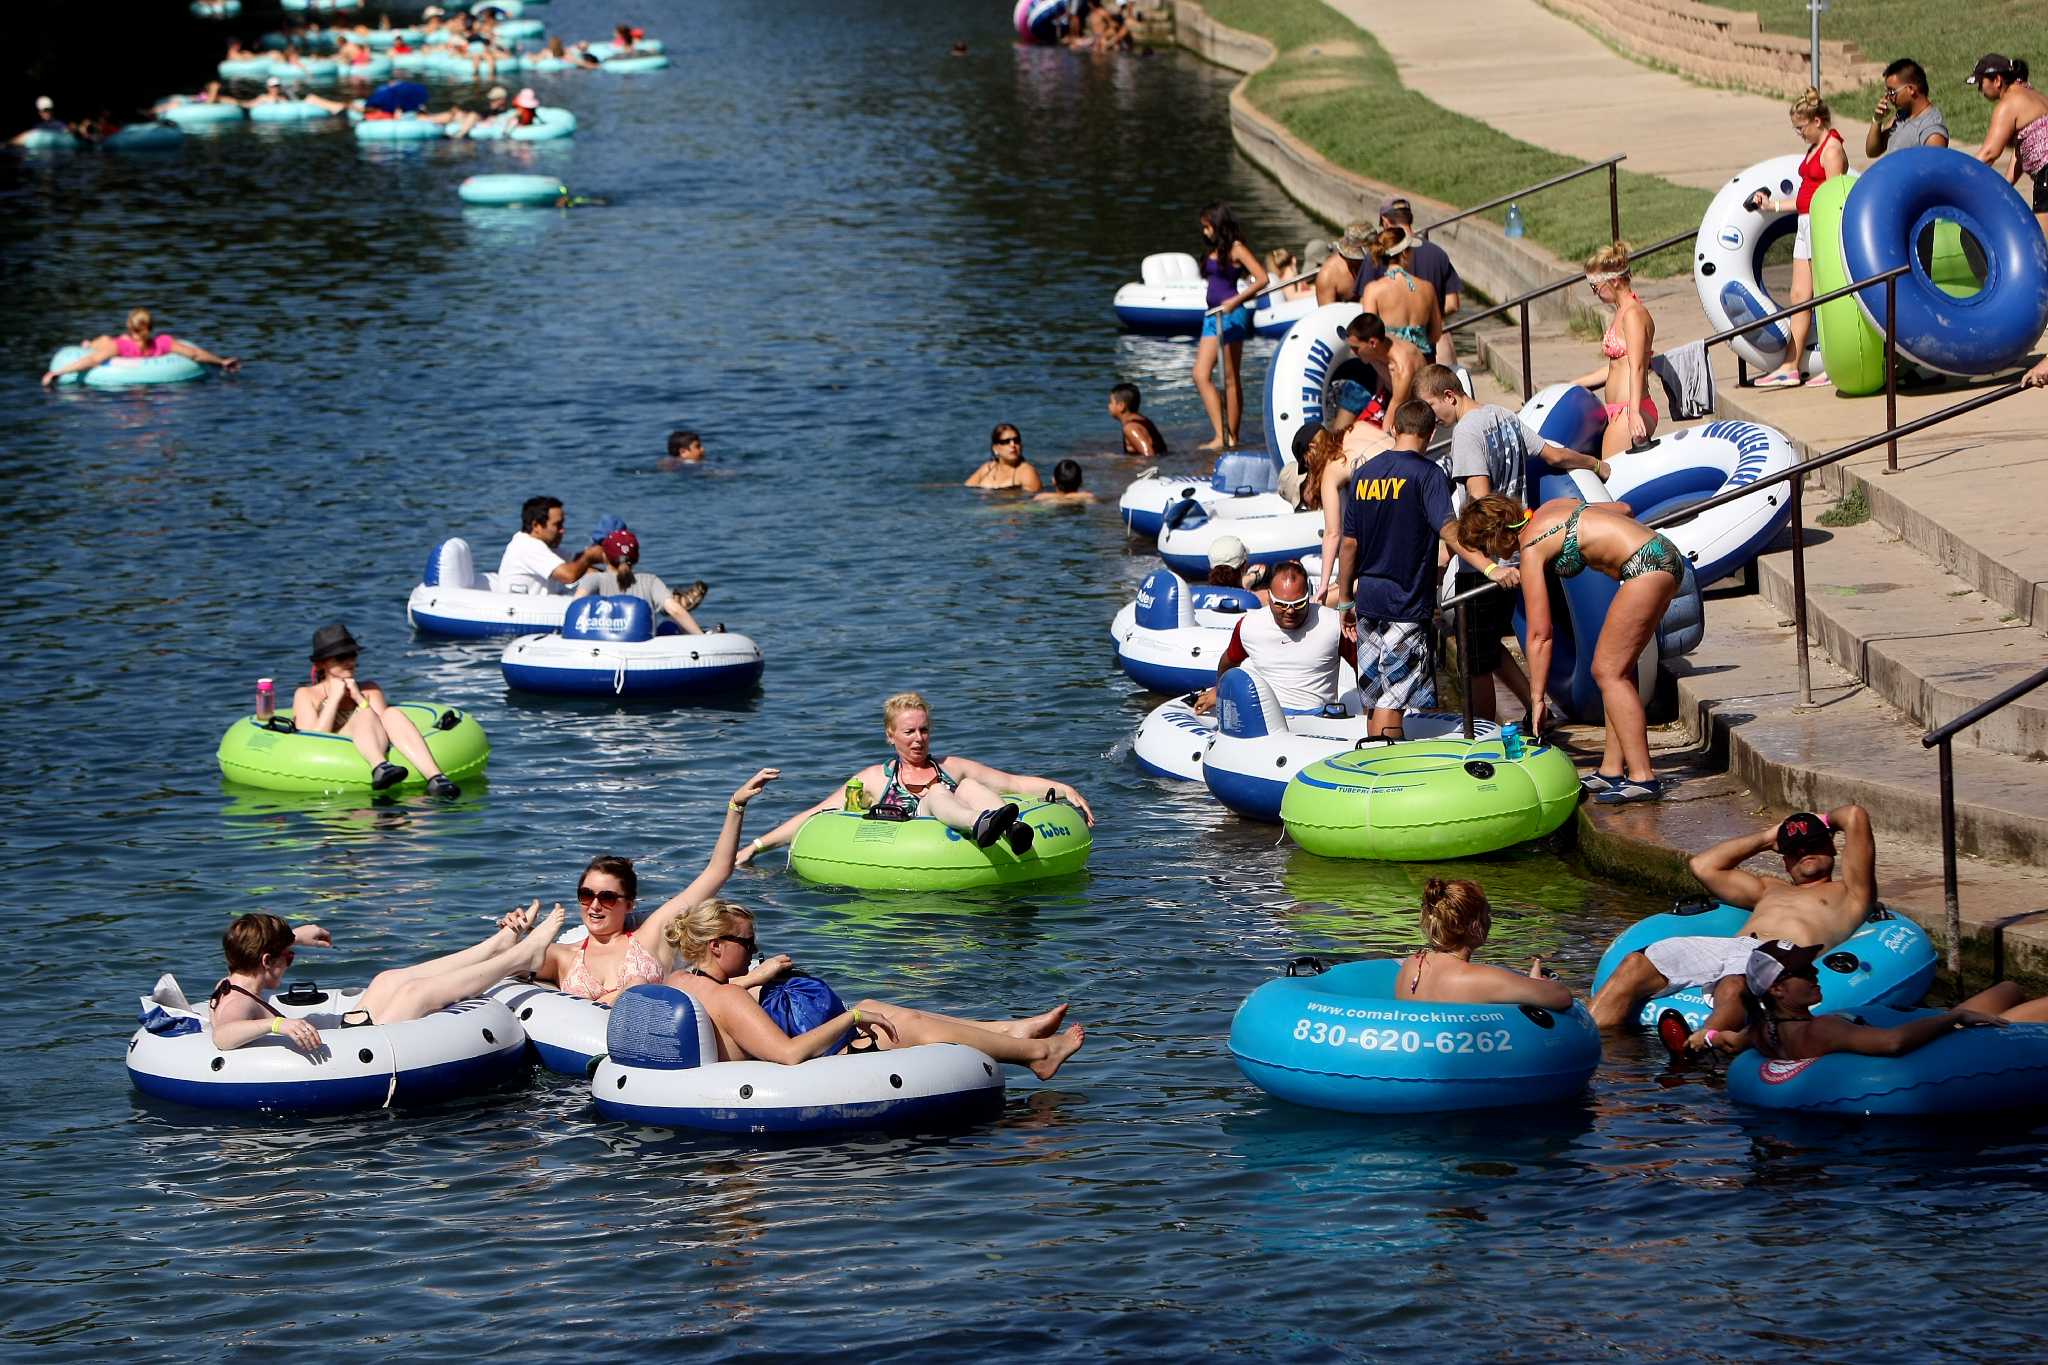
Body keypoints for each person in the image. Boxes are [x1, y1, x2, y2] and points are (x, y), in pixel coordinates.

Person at [659, 899, 1086, 1078]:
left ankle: (1011, 1032)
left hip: (768, 1056)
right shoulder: (729, 997)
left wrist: (754, 978)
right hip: (812, 1069)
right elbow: (789, 1056)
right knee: (904, 1022)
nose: (755, 950)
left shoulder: (682, 980)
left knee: (873, 1003)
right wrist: (853, 1018)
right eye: (748, 943)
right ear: (716, 946)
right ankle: (1038, 1055)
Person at [1457, 492, 1682, 800]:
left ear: (1497, 535)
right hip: (1660, 554)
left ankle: (1643, 776)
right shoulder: (1550, 509)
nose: (1492, 555)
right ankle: (1612, 769)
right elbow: (1624, 508)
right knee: (1617, 671)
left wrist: (1535, 698)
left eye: (1487, 547)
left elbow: (1540, 633)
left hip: (1644, 566)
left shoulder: (1532, 546)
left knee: (1607, 672)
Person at [1417, 364, 1607, 722]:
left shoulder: (1467, 434)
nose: (1432, 418)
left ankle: (1482, 734)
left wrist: (1467, 553)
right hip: (1519, 548)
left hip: (1490, 557)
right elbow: (1552, 455)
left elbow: (1479, 501)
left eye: (1431, 407)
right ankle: (1536, 708)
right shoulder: (1503, 415)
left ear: (1448, 395)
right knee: (1486, 647)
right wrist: (1593, 465)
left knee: (1474, 656)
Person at [1589, 807, 1878, 1040]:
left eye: (1813, 843)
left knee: (1733, 986)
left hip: (1779, 956)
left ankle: (1701, 1046)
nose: (1805, 851)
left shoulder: (1852, 893)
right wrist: (1769, 836)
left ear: (1832, 845)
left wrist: (1821, 820)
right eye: (1794, 848)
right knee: (1634, 964)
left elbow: (1854, 815)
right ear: (1784, 859)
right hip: (1731, 947)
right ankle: (1584, 1037)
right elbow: (1702, 866)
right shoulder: (1768, 888)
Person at [739, 691, 1095, 861]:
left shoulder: (951, 765)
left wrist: (1063, 789)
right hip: (917, 840)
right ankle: (983, 824)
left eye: (924, 730)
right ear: (890, 736)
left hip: (967, 830)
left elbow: (1015, 784)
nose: (918, 738)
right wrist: (755, 847)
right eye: (908, 732)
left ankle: (1010, 828)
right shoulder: (877, 779)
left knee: (969, 784)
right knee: (937, 794)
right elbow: (817, 814)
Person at [524, 768, 777, 1003]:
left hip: (649, 1036)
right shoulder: (563, 955)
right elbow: (509, 964)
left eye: (608, 897)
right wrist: (516, 933)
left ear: (629, 903)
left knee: (637, 983)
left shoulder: (651, 936)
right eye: (586, 895)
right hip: (582, 1044)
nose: (595, 905)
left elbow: (717, 872)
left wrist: (736, 805)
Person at [1335, 401, 1498, 737]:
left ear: (1394, 428)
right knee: (1393, 699)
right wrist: (1490, 566)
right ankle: (1390, 773)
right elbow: (1449, 531)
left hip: (1367, 600)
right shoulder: (1427, 475)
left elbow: (1349, 543)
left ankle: (1370, 765)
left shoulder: (1363, 474)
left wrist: (1344, 599)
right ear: (1432, 432)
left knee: (1375, 694)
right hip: (1405, 602)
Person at [208, 907, 564, 1049]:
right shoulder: (237, 1002)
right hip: (352, 1046)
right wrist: (276, 1027)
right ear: (266, 959)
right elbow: (223, 1036)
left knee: (388, 979)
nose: (292, 961)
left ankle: (497, 943)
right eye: (288, 957)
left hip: (346, 1031)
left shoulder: (235, 978)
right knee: (417, 993)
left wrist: (297, 935)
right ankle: (518, 957)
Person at [1722, 939, 2044, 1061]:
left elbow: (1734, 1041)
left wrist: (1708, 1037)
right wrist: (1952, 1020)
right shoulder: (1820, 1030)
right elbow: (1893, 1043)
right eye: (1803, 972)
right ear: (1776, 989)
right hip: (1955, 1045)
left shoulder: (1763, 1031)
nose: (1815, 974)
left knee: (2009, 988)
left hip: (1936, 1028)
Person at [1747, 88, 1849, 388]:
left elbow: (1834, 196)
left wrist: (1829, 235)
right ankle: (1790, 365)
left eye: (1801, 127)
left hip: (1821, 224)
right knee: (1799, 297)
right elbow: (1806, 196)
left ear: (1817, 120)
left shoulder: (1832, 150)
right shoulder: (1815, 148)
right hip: (1805, 223)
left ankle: (1835, 361)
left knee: (1826, 297)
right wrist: (1774, 206)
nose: (1799, 133)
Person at [290, 623, 461, 796]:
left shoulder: (370, 690)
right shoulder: (306, 695)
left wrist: (359, 698)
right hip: (334, 759)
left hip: (374, 743)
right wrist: (334, 698)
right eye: (341, 657)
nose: (350, 662)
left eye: (352, 654)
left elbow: (385, 729)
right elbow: (311, 741)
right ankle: (379, 766)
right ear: (321, 664)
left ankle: (436, 778)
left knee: (391, 713)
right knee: (364, 715)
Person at [1191, 560, 1354, 716]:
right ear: (1269, 597)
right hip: (1267, 717)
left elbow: (1362, 668)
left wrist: (1369, 716)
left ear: (1308, 596)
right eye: (1281, 604)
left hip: (1321, 718)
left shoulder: (1334, 624)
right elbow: (1229, 660)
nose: (1290, 611)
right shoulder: (1249, 625)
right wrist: (1220, 689)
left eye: (1299, 604)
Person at [1395, 878, 1572, 1008]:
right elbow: (1562, 996)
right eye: (1487, 914)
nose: (1489, 921)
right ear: (1474, 926)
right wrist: (1536, 984)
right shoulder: (1481, 978)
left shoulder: (1411, 964)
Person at [1569, 242, 1660, 456]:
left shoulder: (1633, 314)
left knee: (1609, 476)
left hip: (1631, 409)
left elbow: (1637, 367)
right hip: (1619, 410)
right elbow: (1615, 368)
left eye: (1596, 287)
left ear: (1615, 281)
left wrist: (1634, 413)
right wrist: (1574, 384)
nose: (1594, 294)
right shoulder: (1621, 312)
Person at [1192, 202, 1268, 451]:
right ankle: (1220, 433)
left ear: (1218, 225)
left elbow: (1262, 278)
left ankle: (1231, 436)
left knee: (1230, 377)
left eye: (1207, 227)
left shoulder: (1236, 249)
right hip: (1211, 317)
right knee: (1201, 375)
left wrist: (1235, 301)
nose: (1204, 232)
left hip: (1232, 316)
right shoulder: (1215, 249)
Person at [41, 308, 239, 387]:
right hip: (117, 349)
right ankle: (88, 343)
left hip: (118, 350)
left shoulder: (130, 345)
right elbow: (92, 360)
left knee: (105, 342)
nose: (138, 338)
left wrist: (221, 361)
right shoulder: (154, 343)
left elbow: (193, 353)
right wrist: (221, 361)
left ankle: (91, 343)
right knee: (100, 343)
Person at [1373, 198, 1462, 364]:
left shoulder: (1377, 257)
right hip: (1430, 350)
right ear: (1410, 218)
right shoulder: (1438, 254)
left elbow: (1368, 322)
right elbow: (1452, 304)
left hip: (1391, 356)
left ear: (1385, 221)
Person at [1966, 54, 2048, 232]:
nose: (1980, 90)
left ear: (1996, 80)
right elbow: (2022, 150)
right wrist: (2005, 184)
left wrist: (1961, 175)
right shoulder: (2029, 93)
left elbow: (1989, 153)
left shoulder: (2008, 104)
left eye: (1981, 83)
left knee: (2043, 241)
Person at [576, 529, 712, 634]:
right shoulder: (650, 581)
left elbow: (575, 607)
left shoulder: (593, 579)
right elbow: (675, 611)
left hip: (604, 647)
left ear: (604, 556)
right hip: (644, 651)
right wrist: (701, 637)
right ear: (637, 558)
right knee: (669, 626)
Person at [1357, 229, 1442, 361]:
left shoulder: (1372, 290)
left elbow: (1369, 337)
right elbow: (1436, 334)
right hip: (1424, 363)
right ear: (1404, 253)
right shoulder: (1427, 287)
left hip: (1393, 365)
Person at [1339, 312, 1425, 439]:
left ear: (1372, 343)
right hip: (1386, 395)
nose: (1353, 352)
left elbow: (1389, 423)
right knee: (1347, 434)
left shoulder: (1401, 370)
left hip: (1411, 409)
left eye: (1356, 348)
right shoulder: (1378, 346)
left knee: (1361, 439)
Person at [497, 496, 607, 595]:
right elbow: (569, 576)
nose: (562, 530)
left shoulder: (547, 546)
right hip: (522, 612)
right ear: (536, 526)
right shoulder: (526, 546)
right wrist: (589, 556)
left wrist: (609, 555)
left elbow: (577, 562)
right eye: (557, 525)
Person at [1865, 58, 1949, 158]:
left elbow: (1934, 170)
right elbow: (1872, 152)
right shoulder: (1900, 117)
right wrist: (1877, 120)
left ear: (1911, 89)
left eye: (1892, 92)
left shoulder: (1931, 130)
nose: (1887, 97)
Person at [966, 422, 1042, 491]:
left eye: (1016, 440)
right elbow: (966, 489)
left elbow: (1034, 502)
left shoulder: (1026, 472)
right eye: (1006, 442)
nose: (1012, 445)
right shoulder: (988, 468)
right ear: (995, 448)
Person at [1314, 222, 1372, 308]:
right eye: (1356, 259)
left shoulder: (1382, 262)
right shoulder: (1328, 275)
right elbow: (1328, 316)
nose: (1362, 262)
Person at [1108, 382, 1168, 457]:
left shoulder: (1130, 428)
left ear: (1121, 406)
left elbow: (1149, 455)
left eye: (1110, 402)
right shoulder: (1143, 420)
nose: (1109, 406)